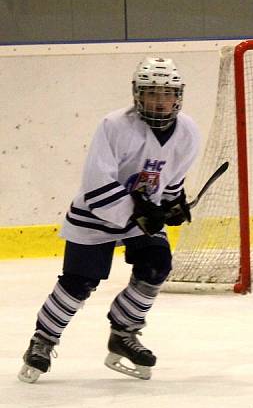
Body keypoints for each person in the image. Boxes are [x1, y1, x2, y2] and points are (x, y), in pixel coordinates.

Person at [18, 57, 201, 383]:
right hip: (95, 214)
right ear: (137, 95)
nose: (159, 101)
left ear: (178, 96)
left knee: (157, 264)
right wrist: (139, 213)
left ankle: (124, 332)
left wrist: (173, 205)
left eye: (166, 94)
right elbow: (96, 183)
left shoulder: (188, 131)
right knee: (79, 281)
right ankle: (43, 340)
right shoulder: (114, 126)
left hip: (140, 217)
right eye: (151, 93)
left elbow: (172, 179)